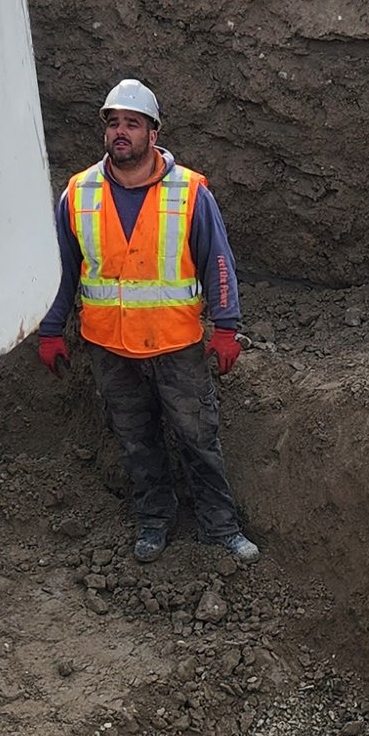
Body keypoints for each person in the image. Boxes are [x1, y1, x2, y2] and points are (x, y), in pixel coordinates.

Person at [39, 80, 257, 562]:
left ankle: (221, 527)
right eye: (113, 123)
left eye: (132, 124)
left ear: (153, 132)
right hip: (109, 345)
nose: (121, 132)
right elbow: (62, 268)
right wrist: (51, 329)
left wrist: (225, 327)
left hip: (175, 344)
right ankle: (154, 522)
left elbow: (217, 262)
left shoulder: (190, 192)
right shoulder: (79, 193)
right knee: (136, 441)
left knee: (198, 438)